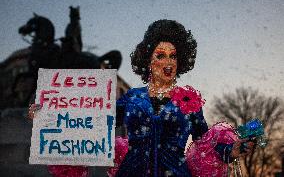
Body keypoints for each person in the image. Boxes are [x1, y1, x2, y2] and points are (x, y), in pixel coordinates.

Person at [29, 19, 254, 177]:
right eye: (161, 55)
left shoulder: (189, 99)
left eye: (173, 56)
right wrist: (47, 116)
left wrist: (230, 150)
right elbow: (93, 124)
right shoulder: (131, 98)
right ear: (148, 60)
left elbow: (204, 141)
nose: (168, 62)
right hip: (131, 172)